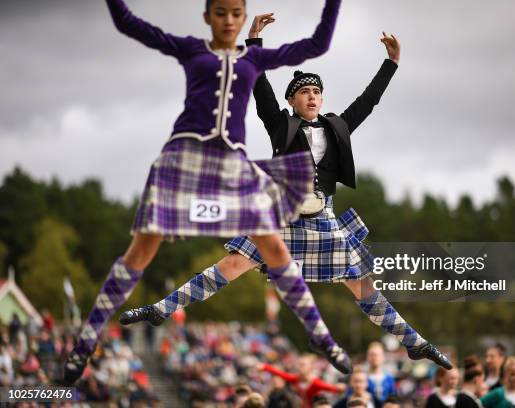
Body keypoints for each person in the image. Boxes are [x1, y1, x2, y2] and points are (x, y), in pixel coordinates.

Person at [122, 12, 452, 370]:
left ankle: (414, 342)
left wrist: (391, 64)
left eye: (316, 92)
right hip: (281, 214)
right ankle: (160, 310)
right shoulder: (281, 125)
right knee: (231, 265)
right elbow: (260, 89)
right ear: (293, 101)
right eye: (305, 92)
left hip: (323, 218)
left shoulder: (338, 126)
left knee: (363, 287)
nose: (312, 97)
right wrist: (254, 43)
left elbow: (367, 101)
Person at [62, 0, 350, 385]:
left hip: (233, 163)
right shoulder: (191, 49)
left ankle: (321, 338)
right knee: (141, 251)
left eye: (235, 13)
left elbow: (317, 43)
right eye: (220, 13)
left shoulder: (253, 58)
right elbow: (129, 23)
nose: (228, 20)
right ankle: (85, 342)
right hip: (184, 155)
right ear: (207, 17)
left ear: (242, 17)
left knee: (274, 247)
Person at [258, 354, 345, 407]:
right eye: (298, 364)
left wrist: (338, 388)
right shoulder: (296, 379)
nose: (299, 367)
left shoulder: (315, 383)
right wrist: (266, 367)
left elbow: (331, 388)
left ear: (310, 367)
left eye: (302, 365)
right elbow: (281, 374)